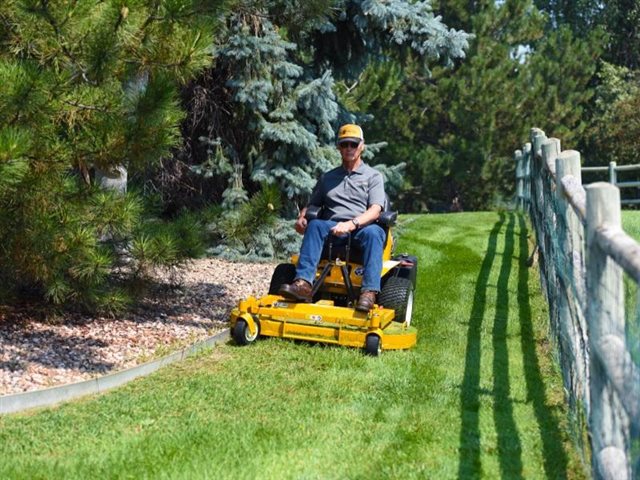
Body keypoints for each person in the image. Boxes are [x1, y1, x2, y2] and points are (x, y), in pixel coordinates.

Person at [279, 124, 387, 312]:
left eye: (353, 144)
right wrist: (302, 217)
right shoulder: (328, 178)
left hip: (361, 228)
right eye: (344, 144)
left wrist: (351, 224)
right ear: (339, 147)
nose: (349, 148)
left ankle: (369, 292)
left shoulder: (373, 176)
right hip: (333, 228)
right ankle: (303, 284)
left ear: (362, 146)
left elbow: (376, 209)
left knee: (375, 232)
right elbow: (313, 204)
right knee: (315, 225)